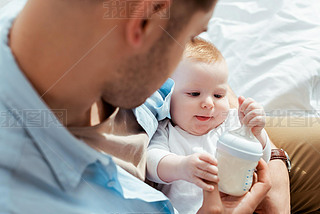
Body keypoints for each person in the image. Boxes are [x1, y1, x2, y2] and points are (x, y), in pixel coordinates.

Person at [0, 0, 272, 213]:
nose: (183, 58)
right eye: (190, 37)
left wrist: (277, 165)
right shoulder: (29, 197)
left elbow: (210, 85)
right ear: (143, 22)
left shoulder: (51, 30)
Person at [146, 38, 271, 213]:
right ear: (169, 97)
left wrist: (256, 134)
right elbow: (151, 162)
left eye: (219, 95)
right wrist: (182, 167)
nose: (208, 104)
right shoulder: (166, 131)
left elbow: (263, 160)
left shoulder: (233, 123)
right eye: (194, 93)